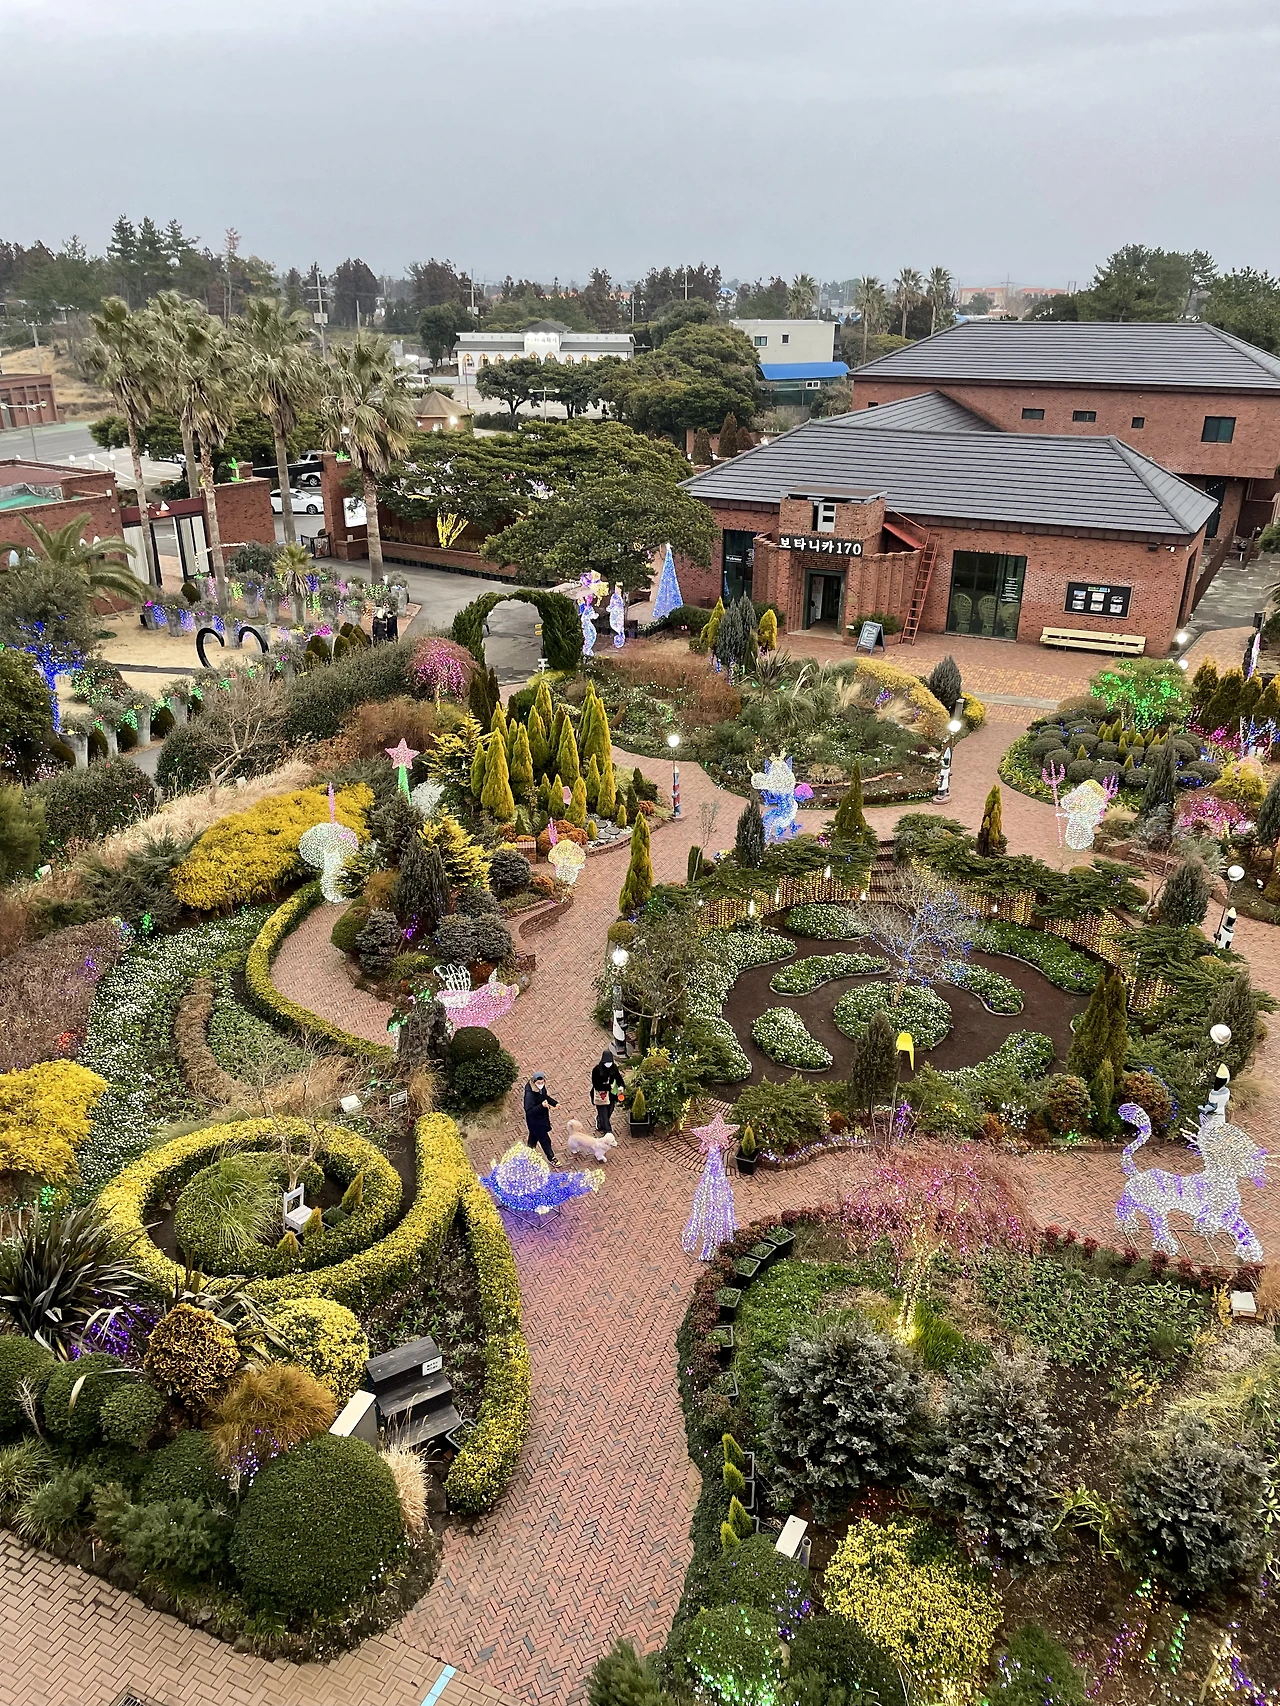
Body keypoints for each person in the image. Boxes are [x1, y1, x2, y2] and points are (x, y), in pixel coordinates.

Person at [524, 1072, 558, 1161]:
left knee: (533, 1138)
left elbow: (545, 1097)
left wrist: (554, 1103)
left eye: (542, 1082)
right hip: (535, 1122)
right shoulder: (530, 1095)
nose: (541, 1084)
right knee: (545, 1140)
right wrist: (541, 1106)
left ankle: (528, 1154)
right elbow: (529, 1111)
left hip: (541, 1119)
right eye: (538, 1083)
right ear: (534, 1082)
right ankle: (551, 1158)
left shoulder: (540, 1089)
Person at [590, 1050, 625, 1134]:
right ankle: (608, 1131)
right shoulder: (596, 1071)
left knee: (610, 1110)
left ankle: (600, 1120)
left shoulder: (614, 1068)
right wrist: (608, 1087)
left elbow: (618, 1078)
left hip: (611, 1095)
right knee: (604, 1113)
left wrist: (621, 1086)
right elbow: (596, 1085)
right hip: (601, 1095)